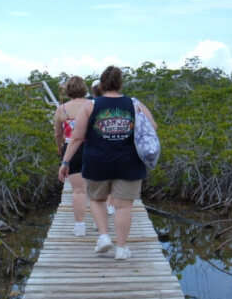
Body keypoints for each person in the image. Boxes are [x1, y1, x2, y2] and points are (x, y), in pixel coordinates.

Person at [58, 66, 157, 259]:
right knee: (124, 207)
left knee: (96, 200)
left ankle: (103, 236)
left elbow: (77, 137)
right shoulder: (134, 103)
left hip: (97, 162)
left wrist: (65, 162)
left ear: (102, 84)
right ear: (120, 84)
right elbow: (153, 126)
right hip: (129, 163)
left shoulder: (91, 105)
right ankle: (121, 248)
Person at [53, 76, 90, 237]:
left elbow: (58, 133)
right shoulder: (92, 105)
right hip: (93, 149)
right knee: (97, 189)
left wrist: (60, 148)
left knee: (78, 191)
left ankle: (80, 226)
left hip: (72, 150)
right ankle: (100, 225)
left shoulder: (62, 109)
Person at [89, 79, 115, 216]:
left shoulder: (91, 105)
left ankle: (102, 211)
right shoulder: (113, 104)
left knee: (99, 185)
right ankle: (110, 205)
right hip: (115, 148)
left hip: (97, 151)